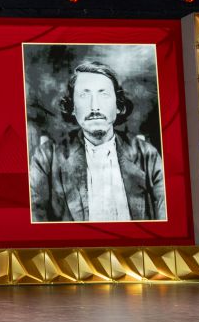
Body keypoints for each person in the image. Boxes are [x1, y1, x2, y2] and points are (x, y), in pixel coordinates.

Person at [29, 61, 165, 222]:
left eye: (104, 94)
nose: (95, 107)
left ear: (118, 106)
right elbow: (35, 221)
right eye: (84, 95)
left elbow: (167, 217)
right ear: (72, 107)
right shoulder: (47, 157)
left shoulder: (147, 156)